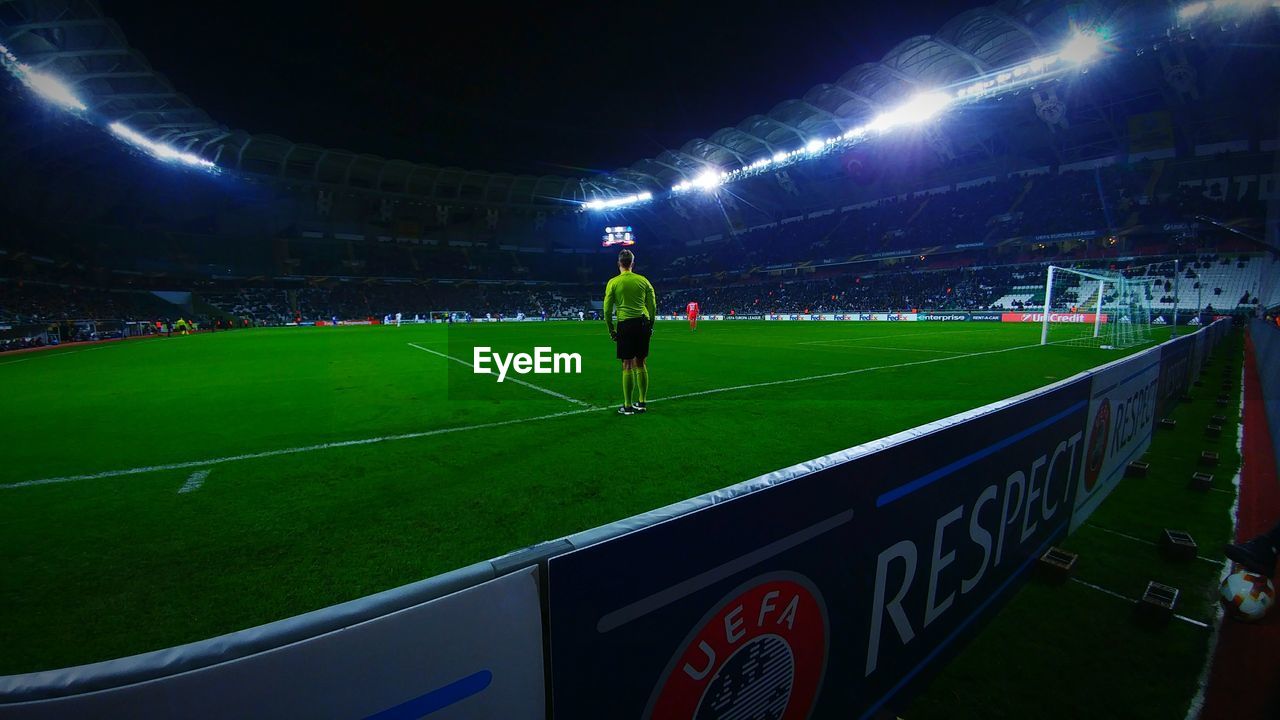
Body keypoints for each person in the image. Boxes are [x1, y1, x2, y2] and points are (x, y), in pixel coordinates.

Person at [603, 249, 657, 415]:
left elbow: (606, 310)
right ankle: (642, 402)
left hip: (625, 324)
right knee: (641, 362)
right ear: (632, 263)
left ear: (619, 264)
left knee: (627, 364)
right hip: (642, 323)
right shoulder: (644, 281)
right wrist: (651, 325)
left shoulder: (613, 282)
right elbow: (652, 305)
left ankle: (627, 405)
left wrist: (611, 329)